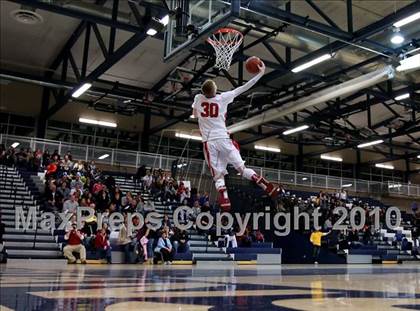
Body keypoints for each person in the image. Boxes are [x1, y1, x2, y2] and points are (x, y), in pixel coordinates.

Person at [192, 60, 279, 210]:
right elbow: (244, 87)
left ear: (204, 92)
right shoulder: (223, 98)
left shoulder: (198, 99)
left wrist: (200, 118)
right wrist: (261, 73)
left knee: (218, 176)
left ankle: (223, 194)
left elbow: (194, 115)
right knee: (241, 169)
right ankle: (259, 180)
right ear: (215, 90)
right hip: (224, 139)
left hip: (209, 142)